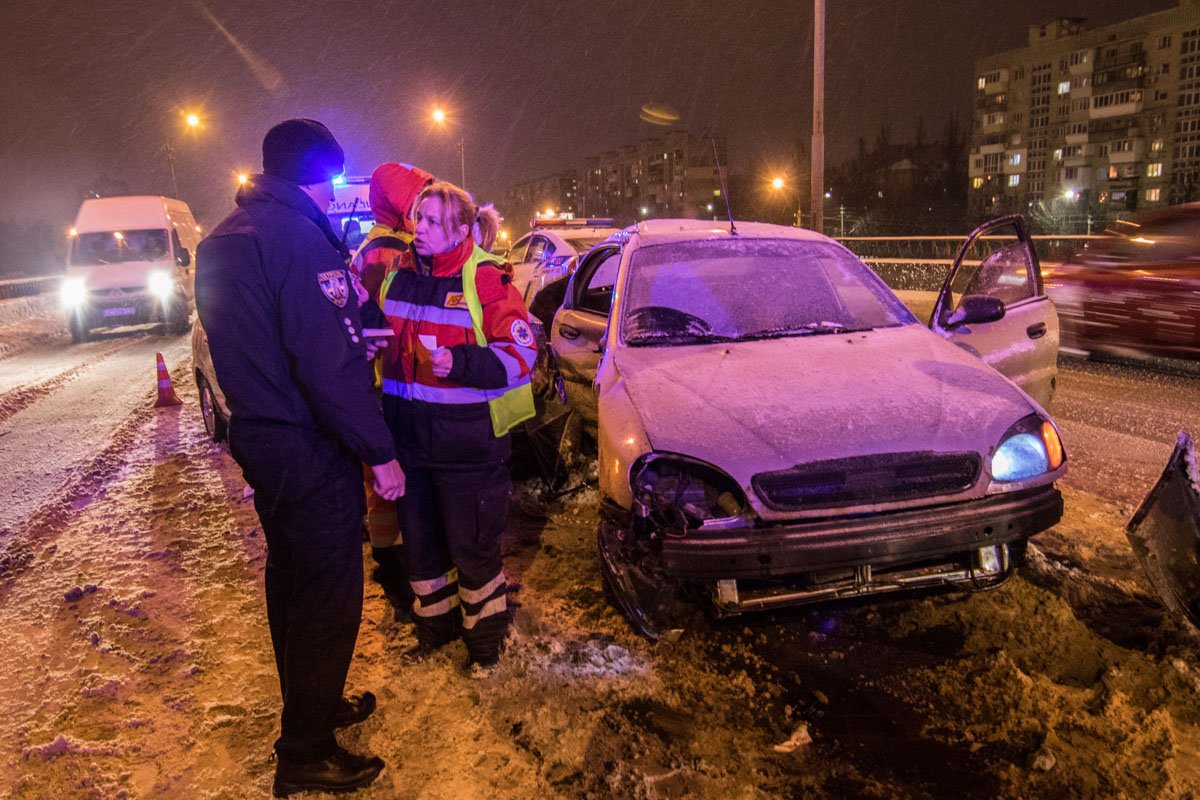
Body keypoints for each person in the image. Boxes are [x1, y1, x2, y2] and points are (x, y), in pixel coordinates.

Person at [194, 118, 404, 797]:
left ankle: (313, 702)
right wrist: (380, 453)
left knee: (290, 582)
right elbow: (326, 366)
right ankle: (306, 749)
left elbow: (264, 341)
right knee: (329, 597)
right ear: (324, 175)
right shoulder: (295, 237)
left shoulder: (225, 238)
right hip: (308, 446)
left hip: (261, 437)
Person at [378, 181, 536, 669]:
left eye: (431, 222)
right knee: (422, 550)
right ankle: (436, 628)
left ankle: (486, 641)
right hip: (409, 444)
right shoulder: (398, 274)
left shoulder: (485, 278)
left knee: (472, 550)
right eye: (418, 218)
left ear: (461, 230)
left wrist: (464, 363)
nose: (418, 229)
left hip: (467, 447)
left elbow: (523, 353)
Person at [348, 163, 433, 599]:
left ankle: (391, 557)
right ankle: (395, 567)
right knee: (391, 477)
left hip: (383, 380)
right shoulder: (387, 252)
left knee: (383, 479)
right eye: (416, 204)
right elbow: (392, 323)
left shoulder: (375, 246)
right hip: (391, 380)